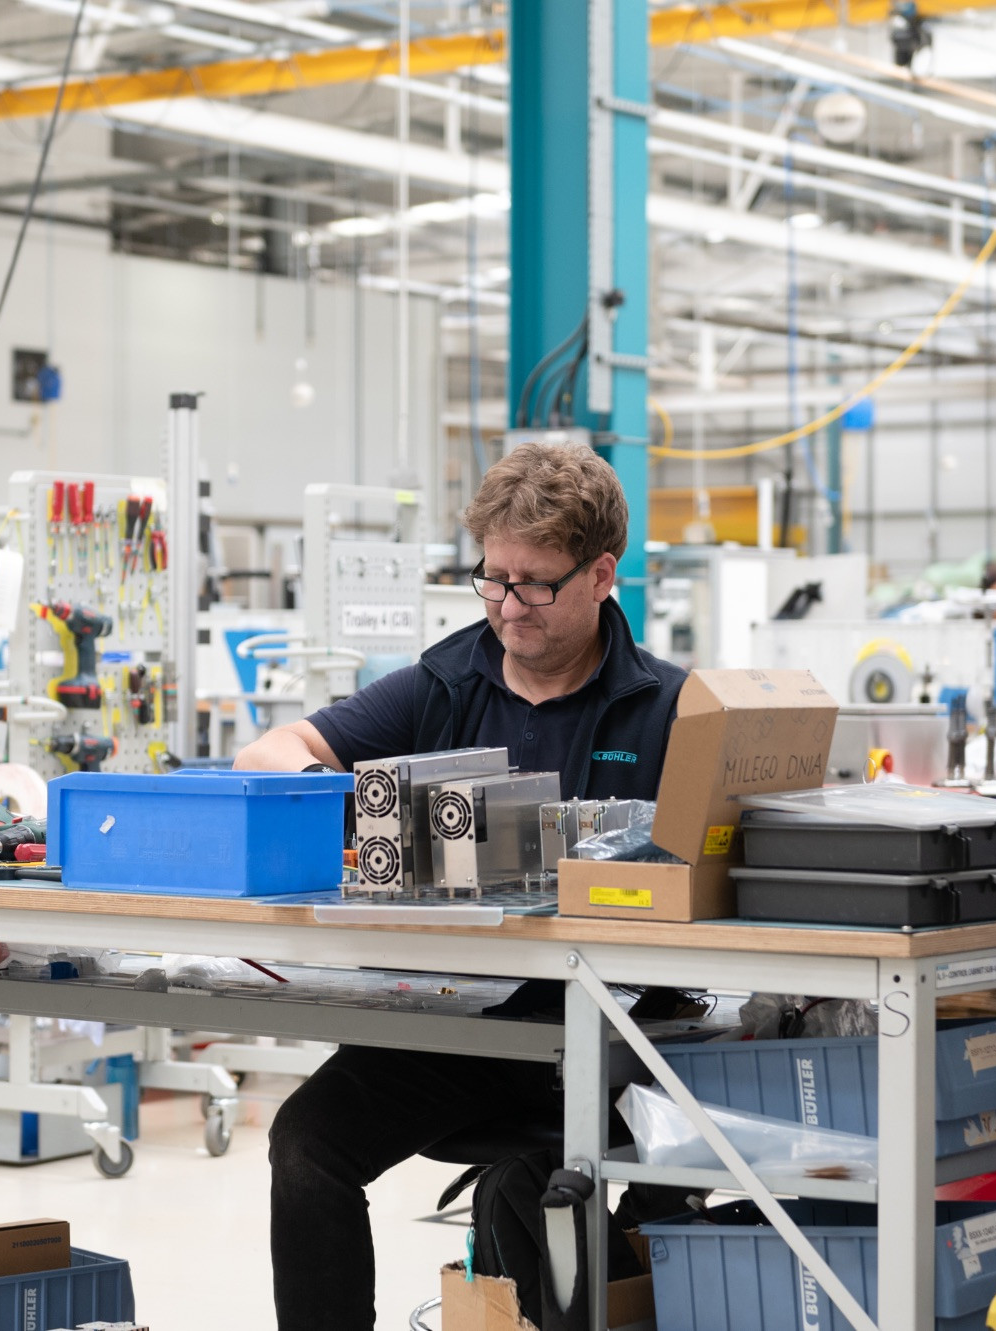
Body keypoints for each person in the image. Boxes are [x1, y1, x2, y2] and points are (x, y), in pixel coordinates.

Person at [237, 442, 687, 1331]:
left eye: (536, 584)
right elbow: (269, 754)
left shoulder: (671, 708)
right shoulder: (441, 685)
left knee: (624, 1186)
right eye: (494, 577)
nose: (509, 605)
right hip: (459, 1027)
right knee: (306, 1143)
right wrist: (366, 821)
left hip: (615, 1033)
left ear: (603, 574)